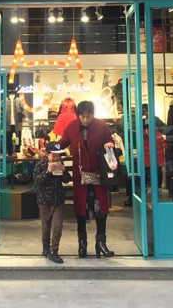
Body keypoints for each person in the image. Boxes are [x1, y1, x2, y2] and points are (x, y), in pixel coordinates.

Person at [58, 101, 115, 258]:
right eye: (82, 117)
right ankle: (82, 243)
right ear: (78, 115)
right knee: (81, 210)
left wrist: (109, 143)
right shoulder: (71, 127)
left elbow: (109, 140)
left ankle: (101, 242)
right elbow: (62, 143)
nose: (85, 120)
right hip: (80, 175)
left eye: (88, 116)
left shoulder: (101, 125)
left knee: (100, 209)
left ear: (92, 114)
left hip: (98, 174)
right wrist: (49, 149)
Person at [33, 142, 72, 264]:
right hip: (44, 200)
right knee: (46, 226)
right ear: (47, 154)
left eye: (58, 155)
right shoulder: (40, 165)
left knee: (57, 226)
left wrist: (64, 170)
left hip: (58, 200)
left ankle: (54, 250)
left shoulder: (61, 163)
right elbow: (37, 183)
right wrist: (47, 171)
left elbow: (67, 180)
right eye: (54, 155)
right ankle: (45, 248)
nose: (56, 158)